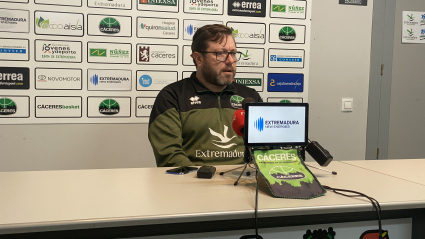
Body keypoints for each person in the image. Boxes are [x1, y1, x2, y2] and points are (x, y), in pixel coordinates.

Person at [148, 24, 262, 167]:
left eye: (233, 53)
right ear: (198, 58)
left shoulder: (250, 97)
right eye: (220, 53)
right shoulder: (172, 96)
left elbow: (265, 149)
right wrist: (202, 180)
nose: (230, 60)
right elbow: (169, 155)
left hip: (244, 182)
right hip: (195, 184)